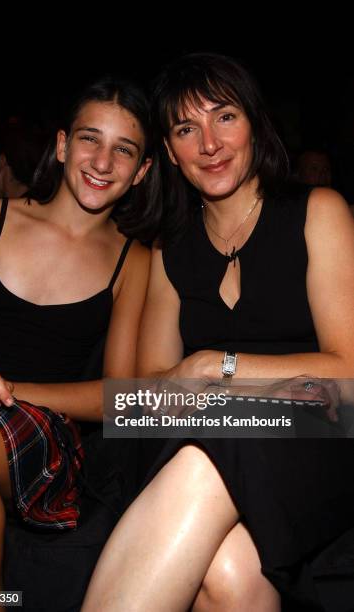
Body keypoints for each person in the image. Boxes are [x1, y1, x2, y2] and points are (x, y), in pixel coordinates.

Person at [82, 53, 354, 612]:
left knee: (211, 441)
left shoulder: (316, 211)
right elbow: (142, 397)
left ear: (254, 122)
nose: (209, 144)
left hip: (321, 434)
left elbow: (348, 372)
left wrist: (214, 366)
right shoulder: (170, 250)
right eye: (186, 128)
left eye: (224, 117)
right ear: (170, 153)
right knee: (229, 576)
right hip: (216, 431)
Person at [0, 75, 155, 611]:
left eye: (124, 150)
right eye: (91, 138)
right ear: (64, 145)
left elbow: (121, 397)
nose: (103, 161)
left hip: (44, 439)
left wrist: (7, 390)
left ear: (142, 172)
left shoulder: (133, 261)